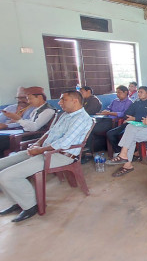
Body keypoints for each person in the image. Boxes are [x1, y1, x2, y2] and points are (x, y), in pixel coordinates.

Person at [0, 90, 93, 222]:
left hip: (60, 155)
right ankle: (18, 201)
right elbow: (50, 132)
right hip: (45, 150)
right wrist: (37, 144)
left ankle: (30, 206)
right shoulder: (66, 115)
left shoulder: (82, 119)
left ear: (75, 101)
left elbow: (64, 143)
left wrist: (39, 150)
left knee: (6, 176)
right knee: (1, 165)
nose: (59, 103)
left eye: (63, 100)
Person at [0, 87, 56, 155]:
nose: (28, 102)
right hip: (25, 134)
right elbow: (29, 123)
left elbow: (34, 127)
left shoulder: (48, 110)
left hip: (33, 137)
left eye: (30, 99)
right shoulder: (37, 109)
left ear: (40, 97)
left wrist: (18, 119)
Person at [106, 86, 147, 154]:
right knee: (110, 133)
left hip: (144, 124)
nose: (139, 94)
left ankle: (131, 153)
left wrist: (135, 118)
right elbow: (127, 113)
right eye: (138, 92)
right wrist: (129, 119)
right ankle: (119, 151)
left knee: (130, 135)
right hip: (131, 123)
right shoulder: (136, 102)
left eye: (141, 92)